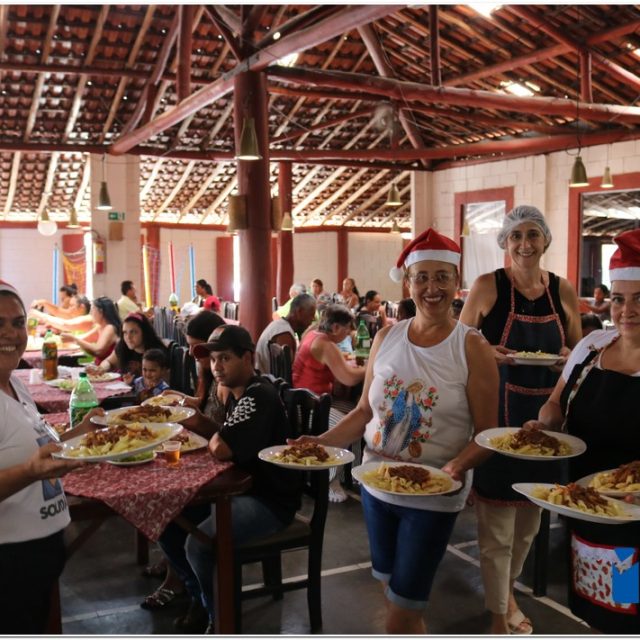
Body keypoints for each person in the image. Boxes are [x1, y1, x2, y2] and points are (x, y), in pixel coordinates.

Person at [291, 229, 499, 633]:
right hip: (376, 488)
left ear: (457, 281)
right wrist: (319, 444)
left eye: (442, 277)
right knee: (392, 592)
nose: (432, 288)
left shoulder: (471, 347)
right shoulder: (387, 337)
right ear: (408, 283)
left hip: (434, 495)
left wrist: (457, 466)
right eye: (422, 277)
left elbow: (487, 433)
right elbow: (364, 411)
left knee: (401, 611)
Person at [459, 204, 581, 635]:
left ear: (545, 239)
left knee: (528, 526)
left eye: (532, 235)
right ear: (505, 242)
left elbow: (578, 352)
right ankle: (500, 611)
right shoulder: (488, 286)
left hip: (547, 424)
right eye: (516, 236)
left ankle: (506, 592)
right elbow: (460, 343)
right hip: (499, 420)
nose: (525, 244)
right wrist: (486, 351)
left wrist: (566, 356)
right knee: (497, 530)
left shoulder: (562, 290)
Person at [523, 228, 640, 633]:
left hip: (635, 522)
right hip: (586, 510)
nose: (627, 310)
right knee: (596, 612)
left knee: (628, 612)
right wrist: (543, 425)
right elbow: (556, 404)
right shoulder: (591, 348)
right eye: (619, 299)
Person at [170, 326, 303, 633]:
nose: (216, 366)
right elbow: (221, 434)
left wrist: (214, 434)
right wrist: (193, 420)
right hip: (243, 491)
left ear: (247, 358)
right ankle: (199, 596)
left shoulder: (258, 396)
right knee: (169, 519)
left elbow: (222, 448)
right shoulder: (238, 393)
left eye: (225, 358)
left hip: (269, 502)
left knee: (197, 545)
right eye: (213, 359)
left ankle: (219, 619)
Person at [0, 280, 100, 633]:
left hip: (38, 552)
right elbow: (33, 465)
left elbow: (43, 449)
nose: (10, 333)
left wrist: (82, 431)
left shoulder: (15, 385)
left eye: (17, 322)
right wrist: (29, 472)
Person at [140, 310, 227, 622]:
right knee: (163, 504)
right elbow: (203, 406)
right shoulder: (209, 372)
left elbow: (223, 430)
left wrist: (188, 416)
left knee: (169, 510)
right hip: (205, 453)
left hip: (222, 470)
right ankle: (180, 576)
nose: (191, 353)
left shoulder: (228, 378)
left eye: (196, 346)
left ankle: (192, 589)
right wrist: (178, 398)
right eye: (189, 346)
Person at [292, 304, 367, 502]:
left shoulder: (312, 333)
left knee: (361, 416)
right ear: (335, 327)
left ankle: (351, 473)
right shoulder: (325, 344)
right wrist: (370, 367)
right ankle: (328, 480)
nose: (349, 333)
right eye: (347, 328)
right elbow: (349, 378)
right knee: (348, 423)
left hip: (305, 401)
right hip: (312, 407)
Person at [88, 312, 166, 382]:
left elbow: (163, 381)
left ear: (144, 332)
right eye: (125, 333)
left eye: (133, 332)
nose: (128, 337)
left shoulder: (157, 353)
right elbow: (108, 362)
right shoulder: (123, 346)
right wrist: (102, 369)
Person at [255, 293, 317, 375]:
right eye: (311, 315)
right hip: (269, 381)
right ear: (299, 312)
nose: (313, 319)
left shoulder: (279, 325)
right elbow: (285, 375)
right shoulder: (284, 334)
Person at [60, 296, 120, 365]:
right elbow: (84, 338)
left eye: (92, 310)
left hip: (107, 369)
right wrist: (68, 338)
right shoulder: (99, 327)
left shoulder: (110, 328)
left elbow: (98, 351)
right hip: (98, 366)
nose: (91, 314)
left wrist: (74, 339)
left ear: (101, 312)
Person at [29, 295, 94, 334]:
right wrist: (43, 302)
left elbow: (64, 324)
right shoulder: (74, 316)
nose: (69, 308)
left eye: (72, 306)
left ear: (82, 307)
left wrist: (39, 314)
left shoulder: (87, 319)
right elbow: (57, 311)